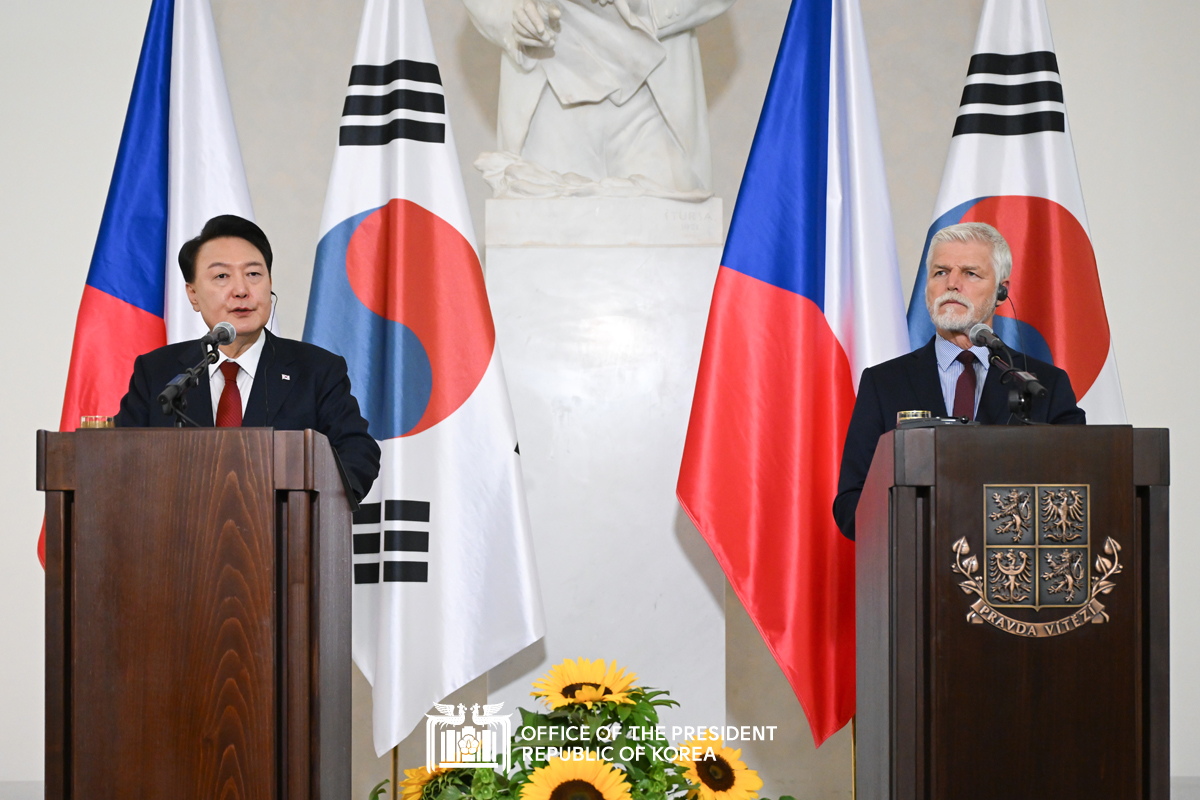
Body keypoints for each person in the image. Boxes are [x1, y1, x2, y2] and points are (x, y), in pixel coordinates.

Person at [833, 222, 1085, 540]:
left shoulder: (1043, 385)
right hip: (917, 577)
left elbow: (1075, 496)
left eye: (970, 273)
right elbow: (850, 507)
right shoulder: (883, 384)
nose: (952, 284)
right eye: (940, 272)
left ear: (1001, 291)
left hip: (1013, 577)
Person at [116, 215, 380, 502]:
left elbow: (357, 453)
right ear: (192, 294)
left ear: (269, 283)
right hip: (176, 541)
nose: (241, 290)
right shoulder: (158, 372)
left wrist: (312, 510)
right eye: (221, 276)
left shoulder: (316, 370)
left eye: (254, 274)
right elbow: (118, 459)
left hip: (286, 540)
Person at [462, 0, 735, 195]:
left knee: (666, 250)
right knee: (545, 250)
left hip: (650, 98)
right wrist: (512, 12)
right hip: (550, 91)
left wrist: (644, 7)